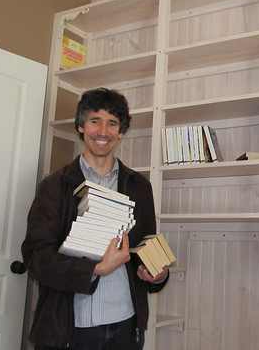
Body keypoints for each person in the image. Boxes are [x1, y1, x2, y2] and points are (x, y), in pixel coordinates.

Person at [22, 87, 169, 349]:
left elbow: (145, 248)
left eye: (112, 123)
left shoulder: (139, 186)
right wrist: (95, 269)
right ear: (81, 126)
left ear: (121, 132)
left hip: (127, 324)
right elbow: (37, 258)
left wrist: (157, 273)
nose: (103, 132)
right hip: (71, 328)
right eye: (95, 121)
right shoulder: (54, 186)